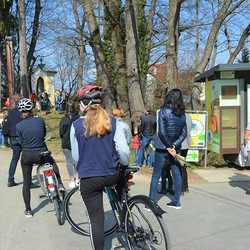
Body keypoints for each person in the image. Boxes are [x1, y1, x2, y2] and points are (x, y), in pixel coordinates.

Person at [70, 85, 130, 250]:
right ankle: (125, 214)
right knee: (121, 181)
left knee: (96, 221)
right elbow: (123, 152)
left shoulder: (75, 125)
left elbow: (76, 157)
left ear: (84, 105)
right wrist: (123, 166)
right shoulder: (114, 122)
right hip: (111, 174)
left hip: (89, 178)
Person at [16, 98, 65, 218]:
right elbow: (43, 135)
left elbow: (21, 141)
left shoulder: (18, 126)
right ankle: (59, 184)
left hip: (27, 155)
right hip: (41, 153)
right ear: (31, 109)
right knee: (52, 162)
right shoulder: (40, 121)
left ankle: (28, 210)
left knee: (26, 182)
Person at [149, 88, 187, 209]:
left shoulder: (163, 111)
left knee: (156, 175)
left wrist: (169, 146)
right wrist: (174, 145)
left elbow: (161, 132)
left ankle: (150, 203)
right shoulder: (182, 114)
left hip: (162, 147)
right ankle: (177, 202)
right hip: (176, 148)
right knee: (177, 174)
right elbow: (184, 133)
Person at [59, 100, 80, 188]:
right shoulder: (78, 118)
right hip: (76, 142)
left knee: (69, 161)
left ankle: (72, 180)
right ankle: (78, 178)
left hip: (66, 142)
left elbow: (61, 133)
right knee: (77, 160)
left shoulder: (63, 119)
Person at [7, 94, 23, 187]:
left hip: (13, 136)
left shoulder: (11, 112)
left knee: (14, 159)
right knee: (25, 160)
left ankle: (10, 179)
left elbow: (8, 125)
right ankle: (28, 180)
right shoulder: (23, 111)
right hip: (22, 136)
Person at [180, 113, 193, 194]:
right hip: (187, 142)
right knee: (183, 165)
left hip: (180, 144)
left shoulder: (178, 116)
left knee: (179, 166)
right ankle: (185, 186)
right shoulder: (188, 116)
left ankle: (181, 188)